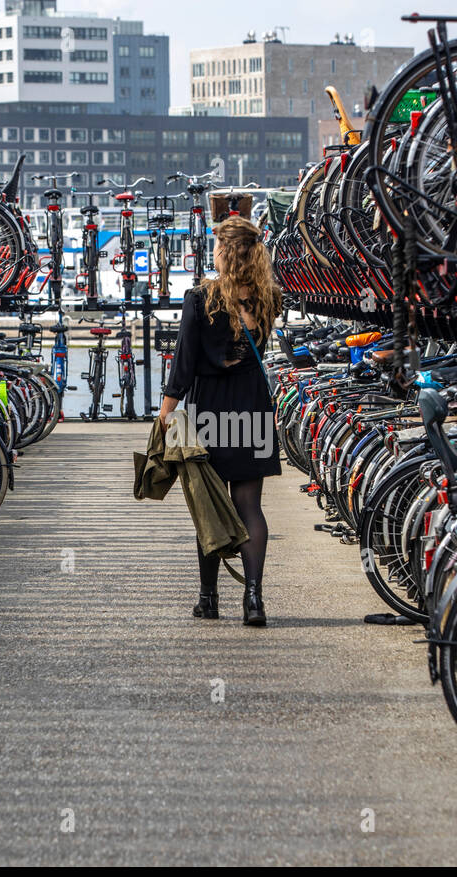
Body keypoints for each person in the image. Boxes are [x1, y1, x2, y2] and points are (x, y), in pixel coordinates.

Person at [158, 217, 282, 626]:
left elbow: (184, 363)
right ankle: (254, 600)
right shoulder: (268, 298)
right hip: (253, 407)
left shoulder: (200, 299)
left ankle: (208, 600)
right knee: (250, 506)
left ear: (225, 253)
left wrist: (166, 410)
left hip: (210, 410)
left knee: (208, 507)